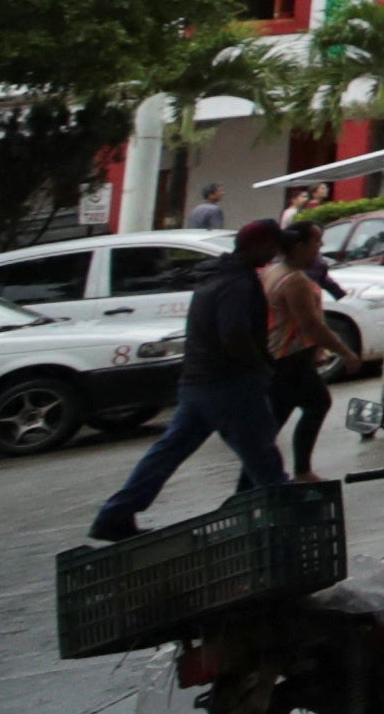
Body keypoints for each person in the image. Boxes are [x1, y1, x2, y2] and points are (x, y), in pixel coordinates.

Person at [89, 219, 292, 538]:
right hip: (230, 384)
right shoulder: (237, 282)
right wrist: (261, 367)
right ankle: (288, 522)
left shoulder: (214, 276)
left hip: (198, 383)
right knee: (262, 456)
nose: (275, 251)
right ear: (257, 245)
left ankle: (115, 514)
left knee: (169, 451)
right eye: (272, 245)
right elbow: (234, 335)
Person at [267, 230, 338, 482]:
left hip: (283, 357)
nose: (320, 247)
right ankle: (299, 472)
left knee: (275, 420)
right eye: (316, 242)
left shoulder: (275, 272)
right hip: (290, 357)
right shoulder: (293, 279)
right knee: (317, 403)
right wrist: (345, 352)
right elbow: (311, 325)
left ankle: (259, 479)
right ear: (300, 246)